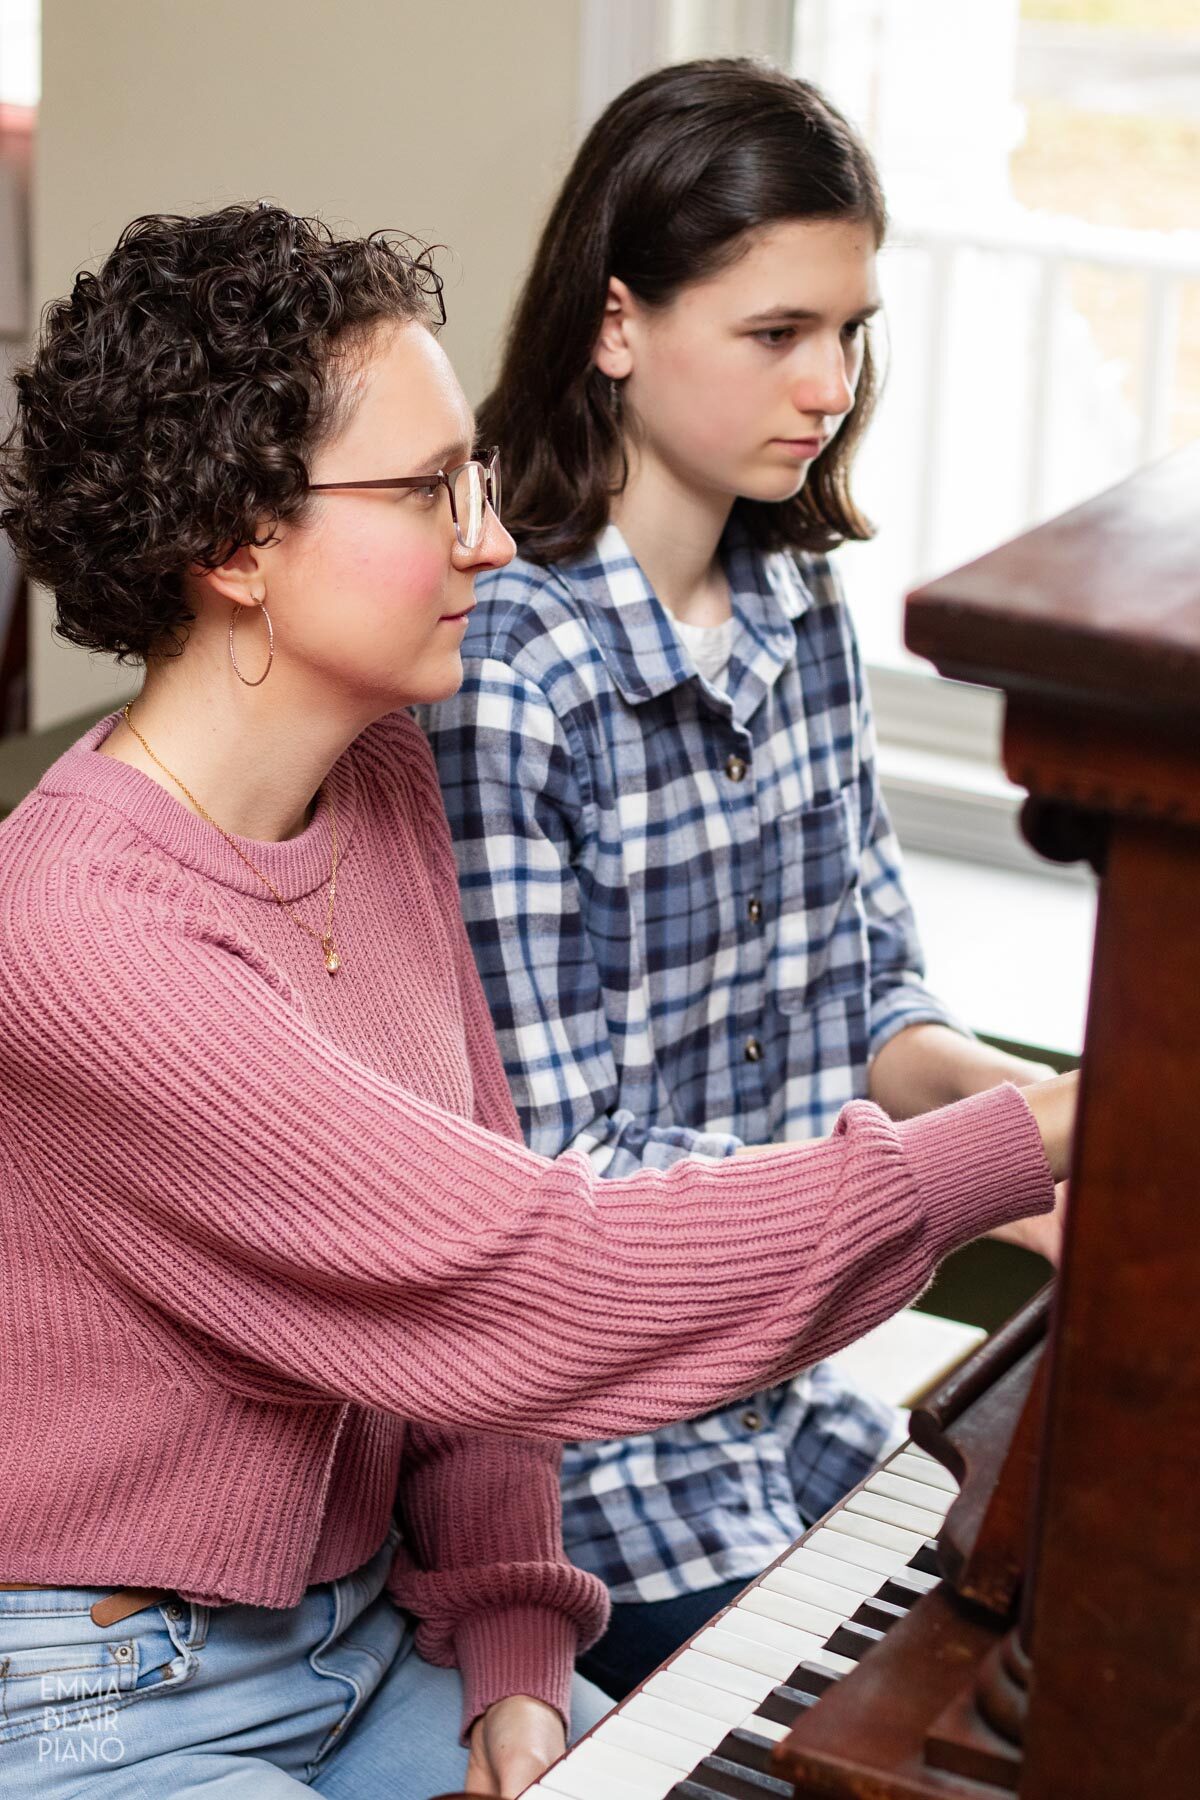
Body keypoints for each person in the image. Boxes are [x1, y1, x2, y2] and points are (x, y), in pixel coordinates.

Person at [0, 203, 1071, 1800]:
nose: (490, 539)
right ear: (233, 546)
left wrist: (512, 1646)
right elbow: (536, 1284)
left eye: (475, 475)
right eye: (429, 491)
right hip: (111, 1694)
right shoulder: (83, 939)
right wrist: (1040, 1133)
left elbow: (458, 1295)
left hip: (369, 1640)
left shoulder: (376, 773)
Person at [419, 59, 1062, 1702]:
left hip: (791, 1393)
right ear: (618, 322)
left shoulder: (801, 604)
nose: (831, 380)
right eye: (777, 334)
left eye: (850, 330)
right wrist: (988, 1165)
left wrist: (1063, 1147)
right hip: (588, 1465)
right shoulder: (511, 667)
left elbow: (873, 1001)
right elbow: (566, 1179)